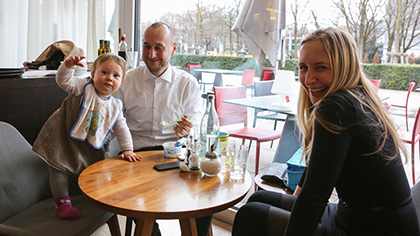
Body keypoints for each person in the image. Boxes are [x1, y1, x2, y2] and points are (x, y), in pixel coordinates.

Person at [232, 27, 420, 236]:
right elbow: (316, 171)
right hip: (368, 217)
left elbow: (315, 198)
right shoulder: (357, 97)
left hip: (376, 228)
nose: (309, 79)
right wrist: (296, 203)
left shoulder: (336, 107)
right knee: (260, 199)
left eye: (320, 67)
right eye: (303, 67)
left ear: (344, 67)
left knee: (252, 214)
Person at [113, 22, 209, 236]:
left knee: (207, 195)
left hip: (177, 156)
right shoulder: (127, 80)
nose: (151, 54)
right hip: (135, 157)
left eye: (159, 47)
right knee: (142, 209)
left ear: (173, 49)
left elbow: (195, 129)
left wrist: (187, 131)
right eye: (147, 46)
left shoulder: (188, 84)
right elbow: (113, 119)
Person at [33, 53, 142, 220]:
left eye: (115, 75)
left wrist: (127, 149)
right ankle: (62, 202)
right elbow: (63, 81)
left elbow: (122, 128)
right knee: (58, 169)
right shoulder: (82, 87)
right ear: (93, 74)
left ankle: (94, 195)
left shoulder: (115, 106)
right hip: (62, 138)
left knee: (93, 171)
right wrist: (68, 67)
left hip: (87, 145)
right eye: (104, 72)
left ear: (121, 81)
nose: (109, 78)